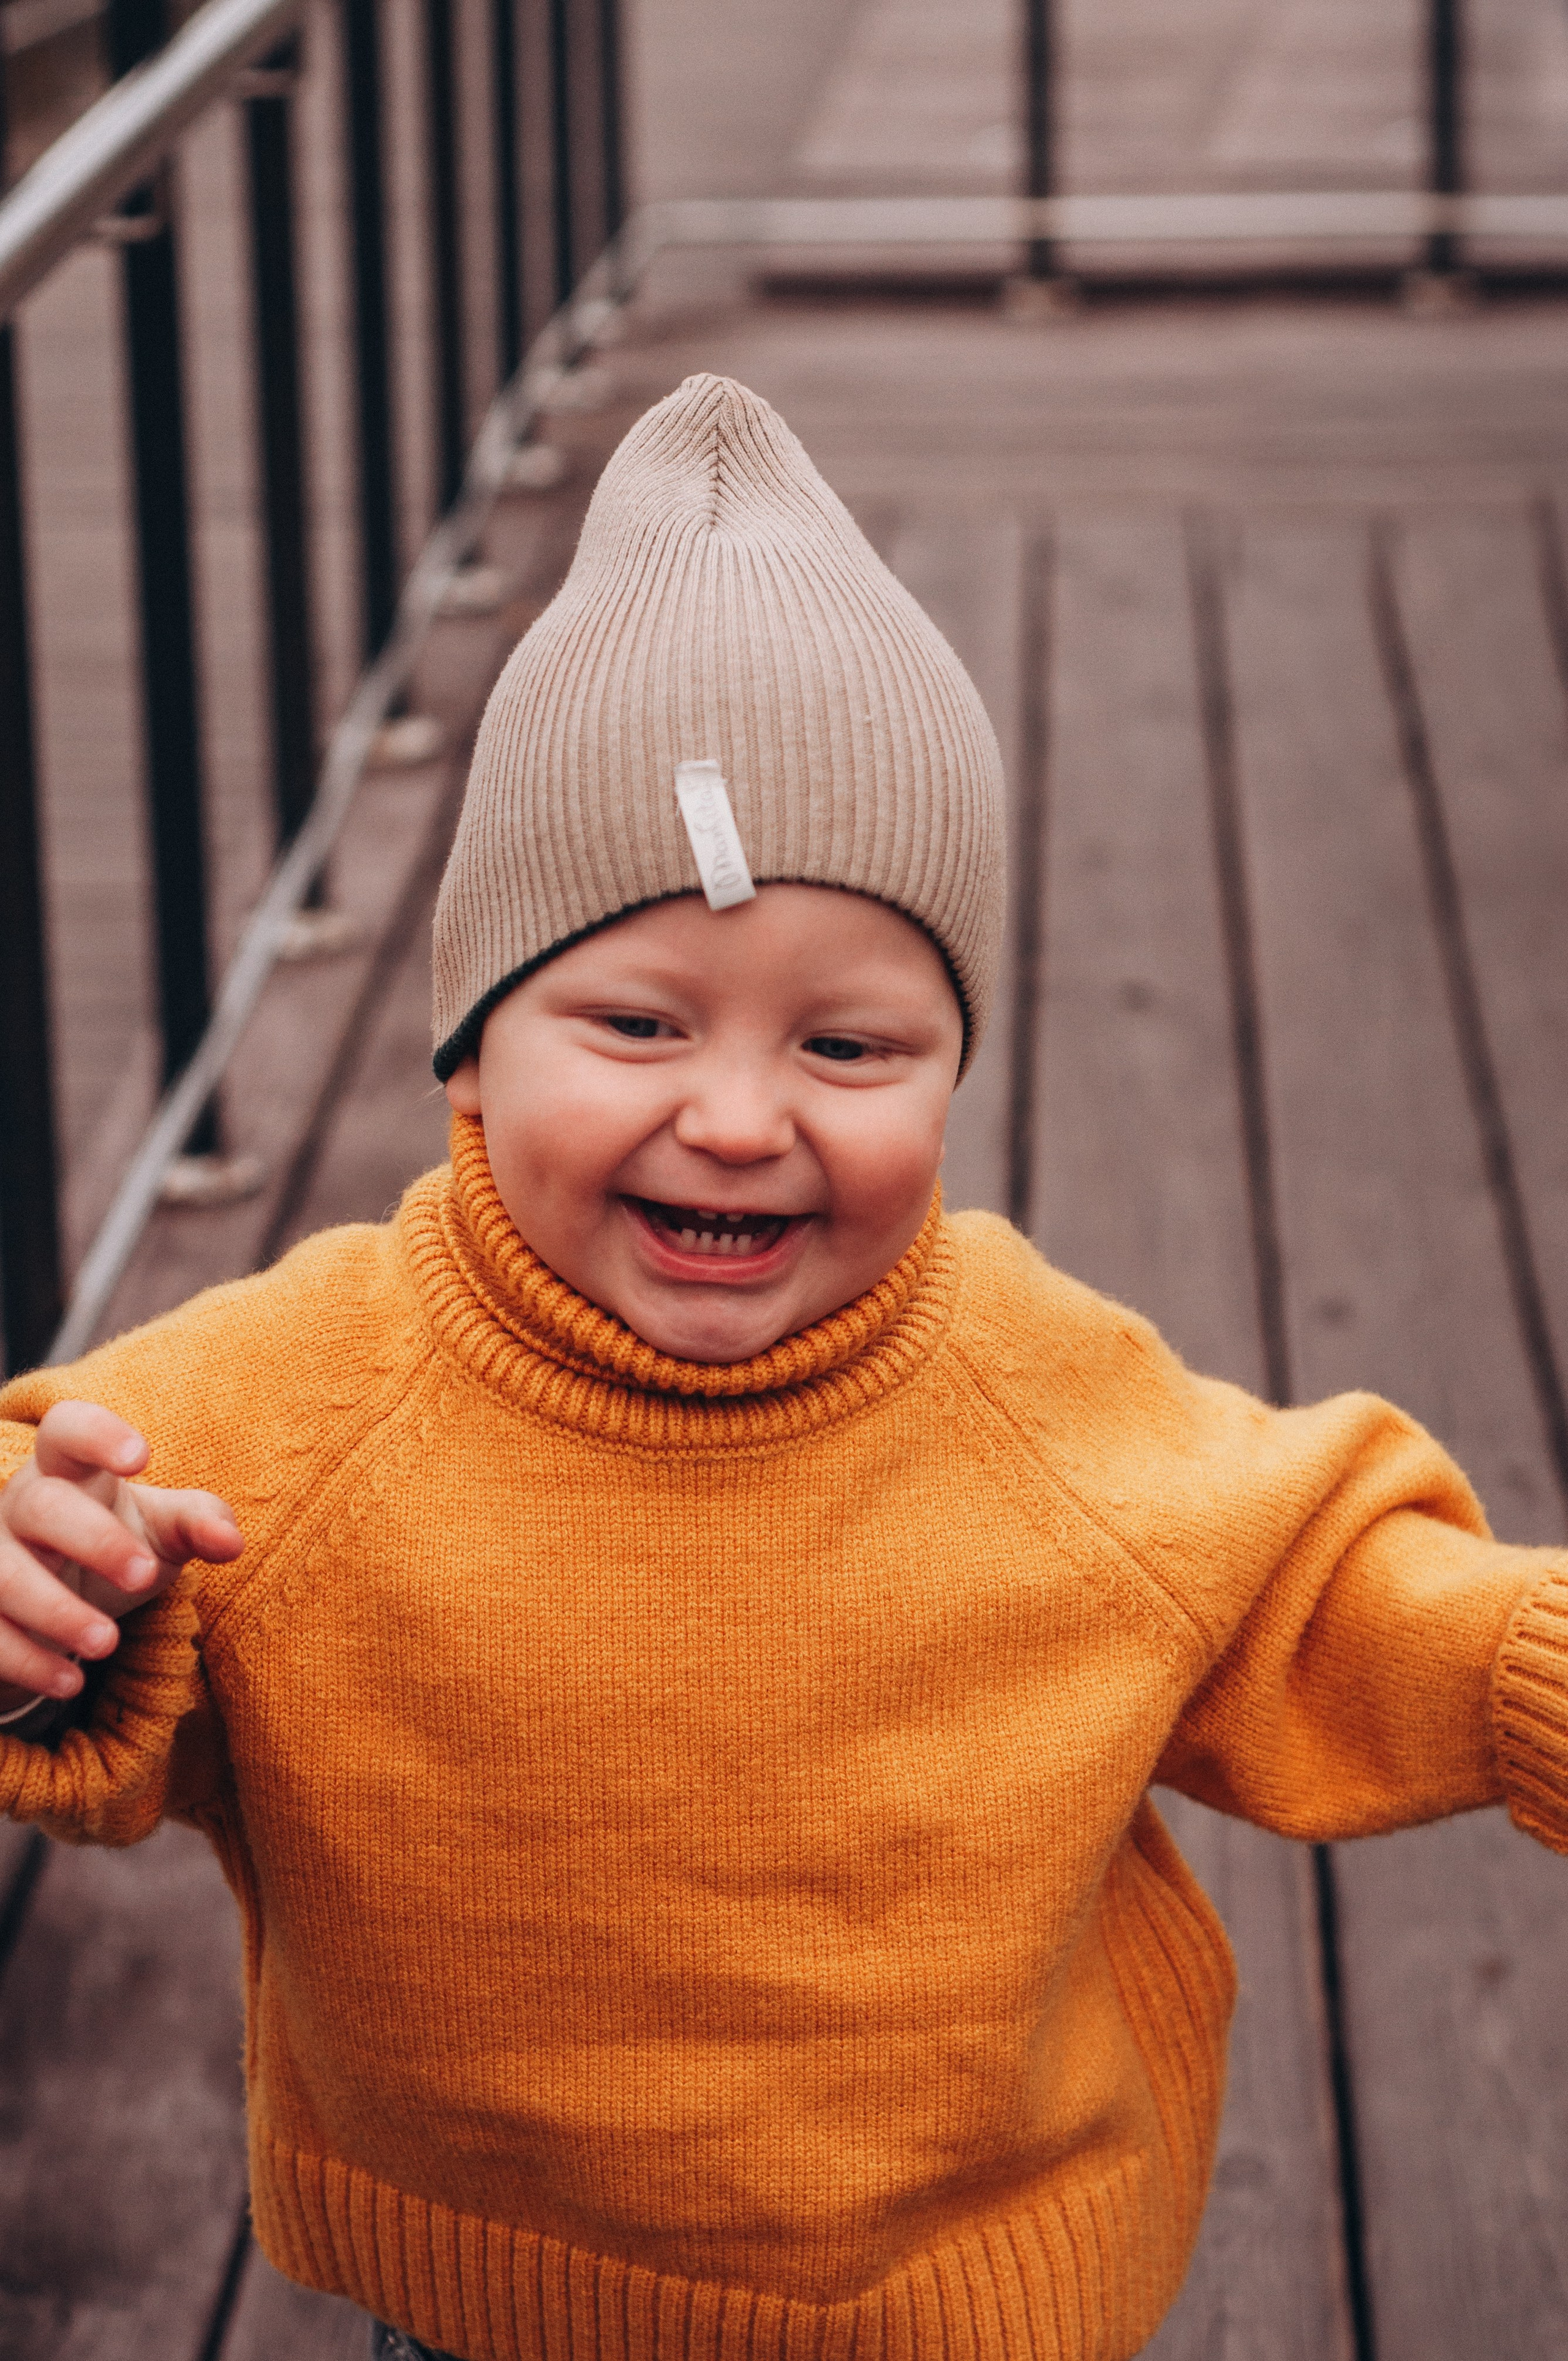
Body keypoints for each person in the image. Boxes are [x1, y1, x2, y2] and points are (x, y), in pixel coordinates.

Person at [0, 373, 1565, 2361]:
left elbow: (1317, 1591)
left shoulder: (1031, 1395)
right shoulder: (318, 1388)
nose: (740, 1120)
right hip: (487, 2304)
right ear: (471, 1044)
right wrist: (53, 1588)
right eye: (638, 1025)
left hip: (972, 2299)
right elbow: (72, 1494)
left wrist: (1524, 1672)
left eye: (849, 1048)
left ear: (957, 1068)